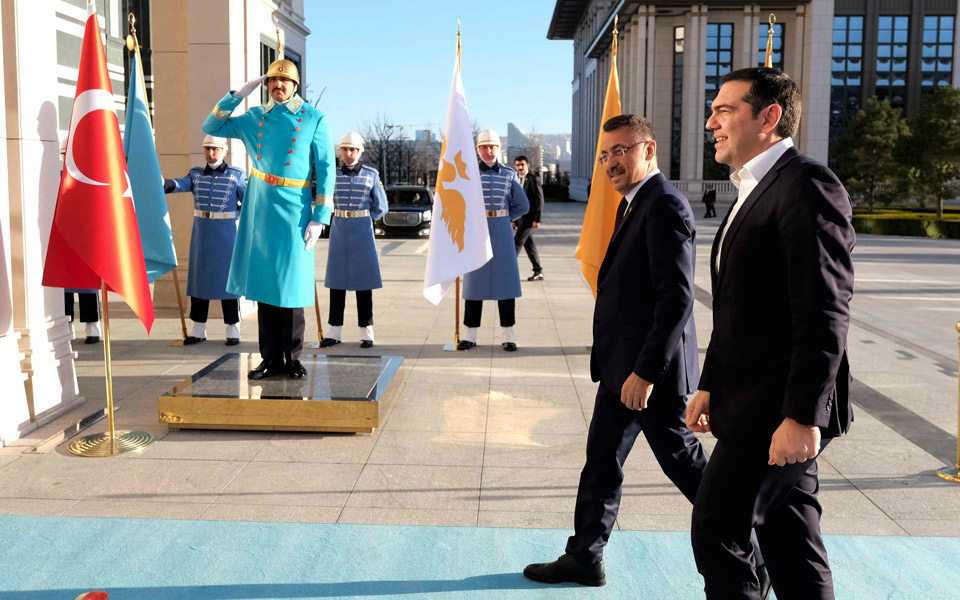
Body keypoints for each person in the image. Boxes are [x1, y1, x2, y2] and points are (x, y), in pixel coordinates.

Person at [523, 114, 720, 588]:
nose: (611, 162)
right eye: (604, 154)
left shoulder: (664, 204)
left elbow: (676, 298)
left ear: (648, 150)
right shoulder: (634, 203)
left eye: (621, 151)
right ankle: (584, 556)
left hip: (651, 375)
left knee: (685, 465)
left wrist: (646, 372)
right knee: (602, 461)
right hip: (622, 370)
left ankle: (753, 547)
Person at [687, 67, 855, 600]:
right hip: (749, 399)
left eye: (724, 109)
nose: (711, 122)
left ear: (769, 117)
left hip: (778, 409)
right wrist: (710, 383)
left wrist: (803, 416)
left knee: (717, 528)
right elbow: (739, 308)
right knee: (791, 543)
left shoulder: (806, 185)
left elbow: (823, 311)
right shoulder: (753, 188)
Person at [202, 44, 335, 380]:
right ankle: (270, 359)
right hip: (260, 207)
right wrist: (235, 95)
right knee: (264, 285)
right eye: (273, 81)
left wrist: (320, 216)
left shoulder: (313, 118)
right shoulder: (254, 118)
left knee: (290, 285)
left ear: (295, 85)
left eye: (284, 81)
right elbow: (213, 126)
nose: (278, 86)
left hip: (295, 207)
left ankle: (293, 357)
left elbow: (326, 168)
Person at [163, 135, 246, 346]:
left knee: (228, 282)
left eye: (215, 149)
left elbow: (248, 203)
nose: (210, 153)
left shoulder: (236, 175)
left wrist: (234, 215)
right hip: (201, 235)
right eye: (207, 148)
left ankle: (233, 328)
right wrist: (162, 182)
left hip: (226, 236)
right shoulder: (196, 174)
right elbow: (179, 184)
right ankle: (198, 328)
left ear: (224, 151)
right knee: (199, 281)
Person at [457, 130, 529, 352]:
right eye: (484, 147)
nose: (488, 151)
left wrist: (505, 218)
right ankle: (469, 335)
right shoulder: (468, 173)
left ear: (498, 149)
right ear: (478, 149)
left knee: (505, 286)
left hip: (502, 234)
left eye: (492, 147)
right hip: (476, 233)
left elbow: (523, 205)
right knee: (473, 286)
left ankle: (508, 336)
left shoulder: (509, 174)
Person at [319, 133, 388, 349]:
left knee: (363, 283)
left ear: (360, 151)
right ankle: (334, 331)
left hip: (362, 230)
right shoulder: (332, 175)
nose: (348, 154)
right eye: (345, 149)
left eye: (352, 150)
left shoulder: (371, 175)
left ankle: (366, 332)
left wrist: (365, 218)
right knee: (336, 282)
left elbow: (381, 206)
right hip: (339, 229)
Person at [57, 137, 101, 344]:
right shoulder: (54, 175)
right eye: (63, 153)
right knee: (62, 285)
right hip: (62, 237)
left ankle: (93, 327)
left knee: (88, 284)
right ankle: (66, 326)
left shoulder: (90, 175)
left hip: (86, 238)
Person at [513, 155, 544, 280]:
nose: (520, 167)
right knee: (529, 245)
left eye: (522, 165)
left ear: (527, 165)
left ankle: (506, 270)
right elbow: (515, 201)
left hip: (529, 219)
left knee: (516, 243)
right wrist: (514, 220)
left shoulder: (533, 179)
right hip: (520, 219)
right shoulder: (515, 179)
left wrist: (537, 219)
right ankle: (538, 271)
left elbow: (539, 200)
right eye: (518, 165)